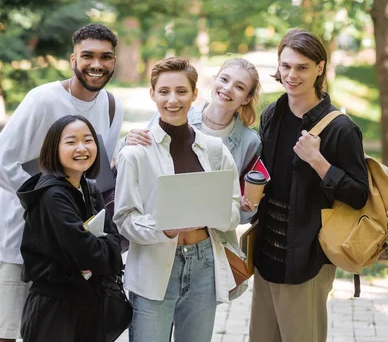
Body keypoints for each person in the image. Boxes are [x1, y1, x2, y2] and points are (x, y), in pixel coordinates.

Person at [0, 23, 123, 342]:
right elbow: (4, 160)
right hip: (20, 239)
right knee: (8, 330)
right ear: (73, 59)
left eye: (105, 57)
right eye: (88, 56)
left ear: (114, 61)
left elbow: (96, 172)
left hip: (72, 247)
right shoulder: (42, 99)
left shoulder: (112, 106)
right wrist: (46, 204)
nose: (96, 64)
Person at [249, 29, 369, 342]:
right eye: (286, 65)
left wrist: (319, 162)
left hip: (306, 259)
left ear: (319, 68)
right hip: (266, 255)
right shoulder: (272, 114)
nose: (291, 75)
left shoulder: (341, 129)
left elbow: (359, 195)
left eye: (302, 67)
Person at [114, 57, 241, 342]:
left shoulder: (215, 150)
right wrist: (165, 228)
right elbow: (124, 219)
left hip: (203, 263)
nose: (173, 100)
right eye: (164, 91)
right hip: (153, 266)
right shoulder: (135, 153)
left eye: (182, 91)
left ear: (195, 95)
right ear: (153, 95)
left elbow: (234, 210)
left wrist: (213, 212)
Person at [17, 115, 123, 342]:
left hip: (89, 304)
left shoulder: (88, 187)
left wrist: (102, 251)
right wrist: (102, 252)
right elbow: (88, 253)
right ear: (54, 148)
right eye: (71, 142)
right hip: (55, 311)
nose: (82, 148)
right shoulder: (52, 196)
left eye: (88, 140)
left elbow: (115, 240)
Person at [125, 57, 261, 214]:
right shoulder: (175, 111)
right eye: (224, 79)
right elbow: (135, 158)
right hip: (162, 221)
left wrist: (244, 209)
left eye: (239, 87)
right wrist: (130, 140)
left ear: (247, 98)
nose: (228, 88)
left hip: (209, 230)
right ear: (214, 80)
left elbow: (241, 209)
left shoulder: (250, 142)